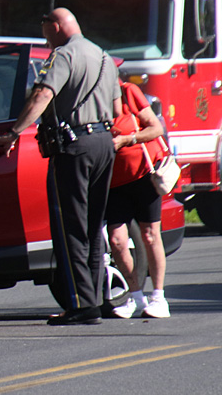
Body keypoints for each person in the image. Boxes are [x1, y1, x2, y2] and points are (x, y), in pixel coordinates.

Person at [0, 8, 120, 325]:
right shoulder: (103, 57)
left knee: (70, 229)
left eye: (44, 27)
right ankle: (98, 299)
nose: (44, 35)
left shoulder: (63, 55)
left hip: (74, 147)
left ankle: (79, 304)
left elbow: (42, 95)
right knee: (91, 228)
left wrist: (13, 132)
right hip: (104, 142)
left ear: (56, 26)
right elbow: (117, 109)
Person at [107, 79, 170, 318]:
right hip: (114, 182)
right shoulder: (91, 100)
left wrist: (128, 139)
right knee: (117, 241)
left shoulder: (128, 92)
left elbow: (156, 128)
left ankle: (158, 297)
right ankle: (135, 297)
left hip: (144, 175)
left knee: (150, 235)